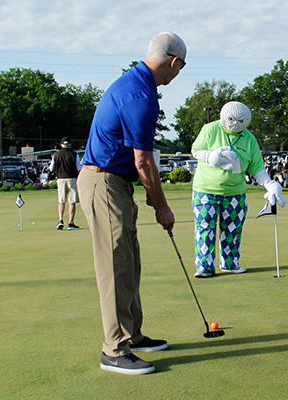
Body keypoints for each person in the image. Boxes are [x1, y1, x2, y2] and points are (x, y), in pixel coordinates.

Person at [77, 32, 186, 375]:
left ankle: (132, 335)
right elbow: (144, 162)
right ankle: (114, 350)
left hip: (115, 184)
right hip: (104, 183)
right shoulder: (141, 95)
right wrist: (162, 207)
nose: (179, 72)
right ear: (172, 61)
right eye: (181, 66)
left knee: (130, 263)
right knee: (115, 269)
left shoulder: (137, 84)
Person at [191, 101, 286, 278]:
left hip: (235, 192)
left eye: (241, 121)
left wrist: (269, 184)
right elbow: (195, 150)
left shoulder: (249, 139)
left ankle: (230, 263)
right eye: (232, 120)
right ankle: (205, 266)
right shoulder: (210, 129)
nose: (235, 124)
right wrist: (209, 156)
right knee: (205, 228)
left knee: (233, 229)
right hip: (205, 189)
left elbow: (257, 168)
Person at [49, 137, 81, 230]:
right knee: (72, 202)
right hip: (72, 179)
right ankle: (71, 223)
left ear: (61, 144)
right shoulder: (74, 154)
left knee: (61, 201)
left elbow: (51, 168)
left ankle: (60, 220)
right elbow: (79, 168)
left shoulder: (56, 155)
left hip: (60, 179)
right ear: (70, 144)